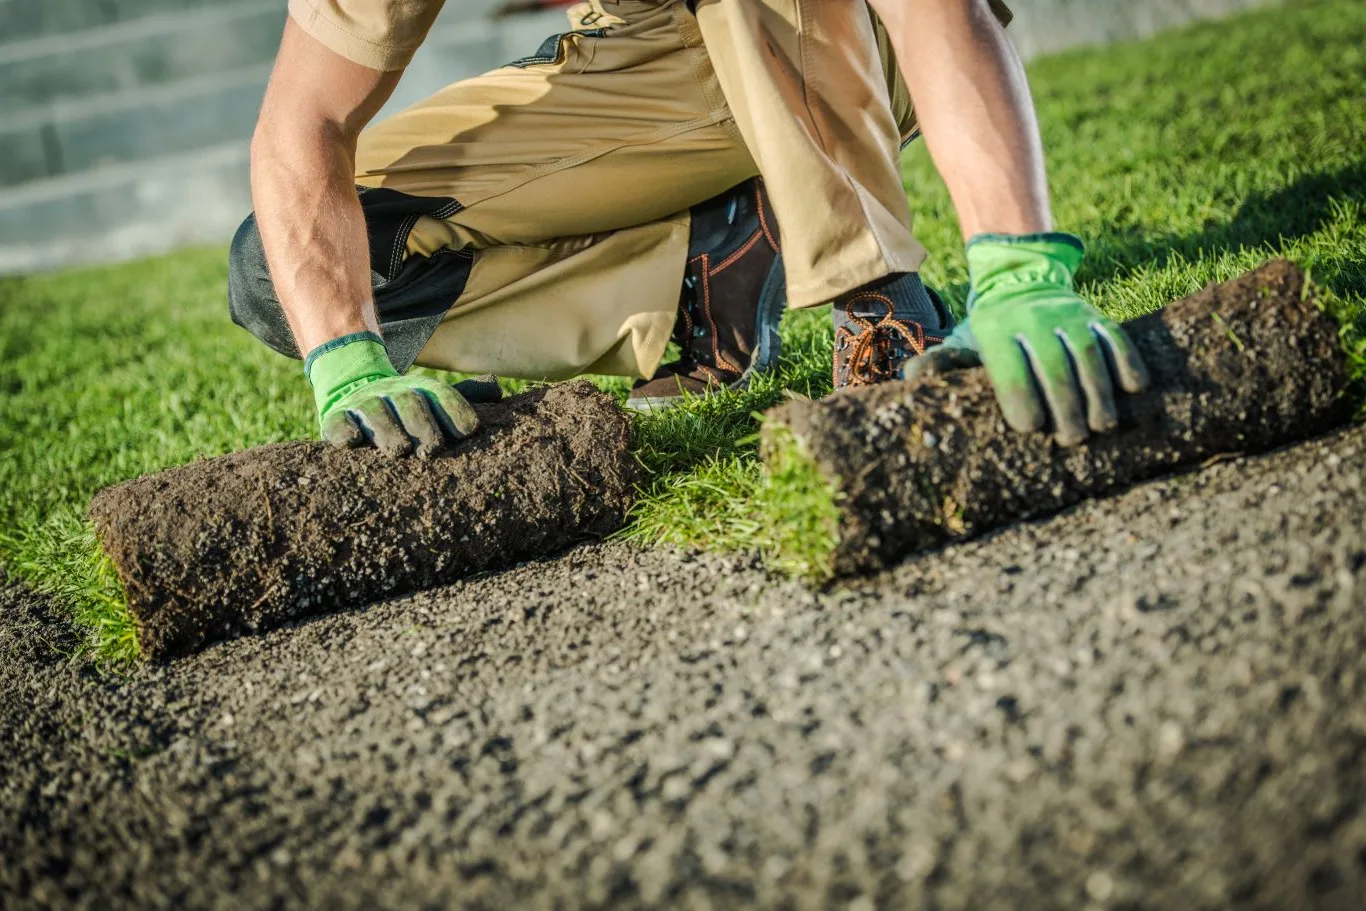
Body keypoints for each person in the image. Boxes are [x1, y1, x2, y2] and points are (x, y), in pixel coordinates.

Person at [228, 0, 1148, 458]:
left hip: (862, 40)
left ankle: (876, 301)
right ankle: (707, 282)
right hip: (652, 60)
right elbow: (300, 127)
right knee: (280, 272)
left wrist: (1020, 265)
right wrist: (346, 357)